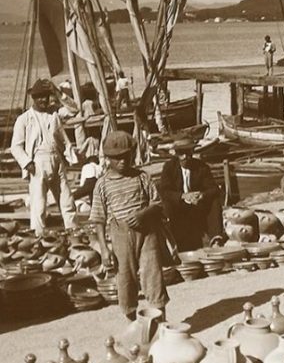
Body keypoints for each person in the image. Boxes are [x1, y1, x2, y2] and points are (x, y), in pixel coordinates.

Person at [90, 130, 169, 322]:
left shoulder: (142, 177)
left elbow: (158, 203)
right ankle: (133, 324)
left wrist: (143, 214)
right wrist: (104, 249)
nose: (122, 161)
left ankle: (161, 324)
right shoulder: (102, 185)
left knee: (153, 276)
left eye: (126, 156)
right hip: (120, 237)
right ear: (107, 158)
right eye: (116, 158)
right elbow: (98, 219)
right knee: (125, 279)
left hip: (147, 233)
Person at [10, 79, 78, 236]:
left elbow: (74, 109)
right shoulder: (24, 119)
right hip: (37, 162)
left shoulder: (54, 113)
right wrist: (28, 163)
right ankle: (38, 237)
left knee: (67, 201)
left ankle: (74, 234)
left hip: (56, 159)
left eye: (46, 96)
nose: (43, 100)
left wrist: (58, 92)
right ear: (33, 98)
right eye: (39, 96)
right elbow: (16, 147)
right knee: (39, 205)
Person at [158, 137, 224, 252]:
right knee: (166, 204)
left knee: (214, 201)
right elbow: (164, 191)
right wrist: (182, 196)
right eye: (181, 154)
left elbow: (214, 189)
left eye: (188, 153)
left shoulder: (201, 167)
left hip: (197, 205)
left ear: (192, 153)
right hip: (178, 206)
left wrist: (202, 195)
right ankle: (171, 242)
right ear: (176, 154)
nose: (185, 157)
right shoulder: (169, 167)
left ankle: (216, 240)